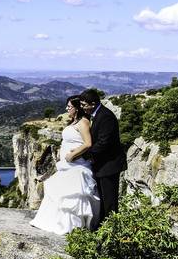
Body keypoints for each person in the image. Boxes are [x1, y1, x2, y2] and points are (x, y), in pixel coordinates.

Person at [29, 96, 101, 235]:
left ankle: (72, 226)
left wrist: (73, 155)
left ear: (77, 108)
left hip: (77, 165)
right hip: (67, 165)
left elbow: (88, 143)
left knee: (72, 194)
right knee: (59, 190)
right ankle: (57, 222)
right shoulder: (74, 122)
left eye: (69, 106)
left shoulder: (83, 122)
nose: (67, 109)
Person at [78, 88, 127, 229]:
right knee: (104, 199)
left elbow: (104, 142)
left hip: (109, 166)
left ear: (93, 103)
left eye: (84, 105)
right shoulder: (96, 114)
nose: (82, 108)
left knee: (110, 200)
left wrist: (86, 154)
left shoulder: (106, 116)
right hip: (101, 165)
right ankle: (104, 227)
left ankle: (112, 229)